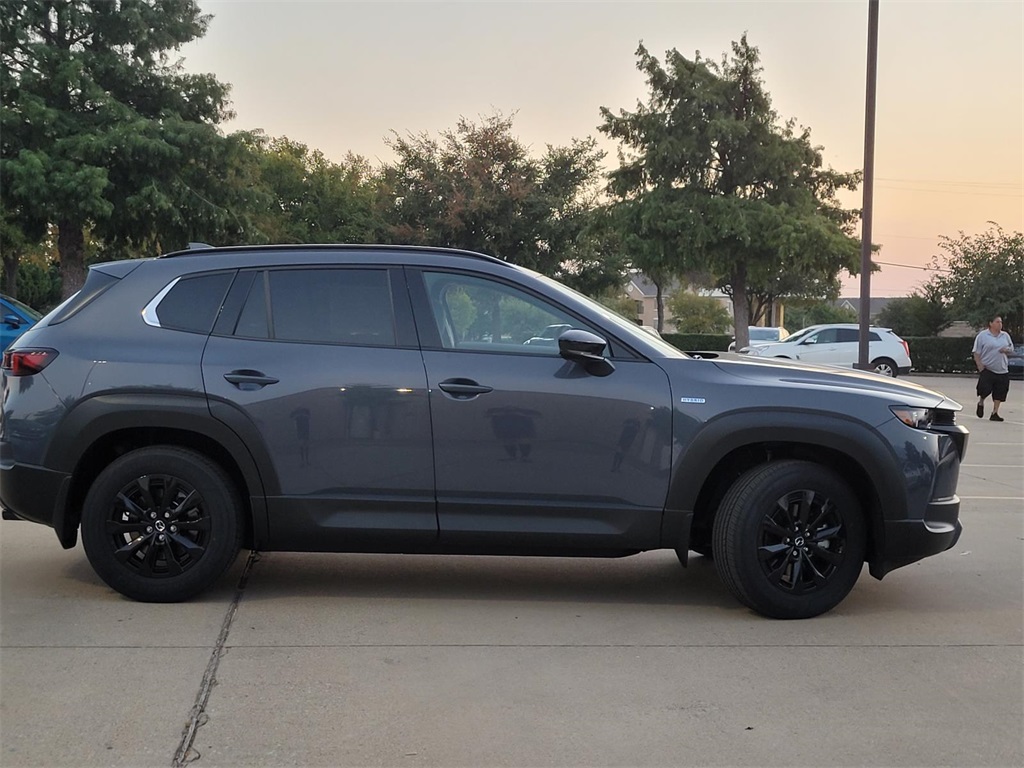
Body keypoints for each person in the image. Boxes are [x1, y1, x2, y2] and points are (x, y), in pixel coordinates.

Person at [972, 315, 1014, 422]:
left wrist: (1007, 350)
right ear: (990, 323)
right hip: (988, 369)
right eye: (997, 322)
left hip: (1002, 369)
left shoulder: (1005, 336)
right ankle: (981, 402)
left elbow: (1011, 348)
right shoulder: (983, 336)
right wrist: (980, 366)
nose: (1000, 324)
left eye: (1001, 322)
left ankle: (995, 413)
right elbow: (976, 352)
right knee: (984, 390)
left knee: (1000, 391)